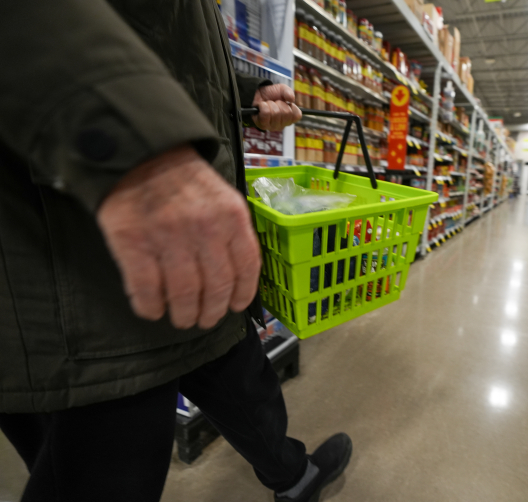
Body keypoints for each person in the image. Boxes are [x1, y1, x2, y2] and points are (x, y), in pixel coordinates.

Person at [0, 2, 351, 501]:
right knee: (106, 460)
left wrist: (246, 92)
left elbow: (166, 39)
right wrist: (136, 147)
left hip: (154, 229)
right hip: (79, 246)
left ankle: (296, 478)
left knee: (238, 373)